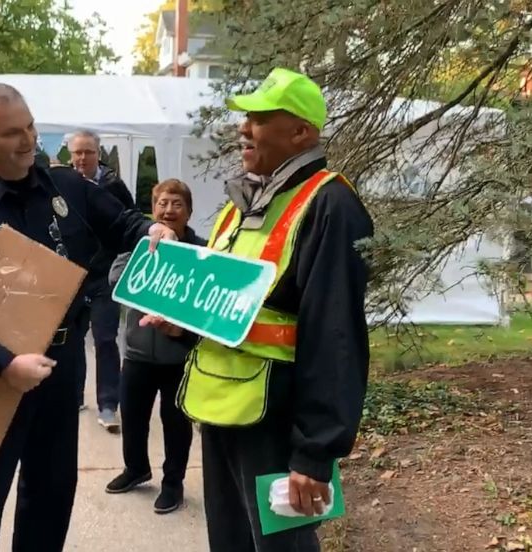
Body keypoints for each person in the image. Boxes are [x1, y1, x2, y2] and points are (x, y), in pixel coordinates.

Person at [0, 82, 177, 552]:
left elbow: (123, 223)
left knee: (50, 494)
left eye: (31, 127)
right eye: (12, 133)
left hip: (59, 368)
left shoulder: (67, 186)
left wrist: (153, 228)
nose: (28, 141)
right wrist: (3, 363)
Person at [143, 68, 374, 551]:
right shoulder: (237, 207)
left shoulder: (330, 204)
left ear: (300, 132)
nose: (244, 129)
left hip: (276, 421)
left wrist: (315, 455)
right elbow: (225, 308)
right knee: (229, 542)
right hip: (223, 408)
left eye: (260, 118)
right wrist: (181, 325)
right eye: (246, 118)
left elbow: (336, 338)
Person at [105, 179, 202, 514]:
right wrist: (151, 264)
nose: (169, 210)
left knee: (176, 423)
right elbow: (116, 277)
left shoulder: (202, 252)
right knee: (133, 417)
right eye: (162, 203)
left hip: (178, 357)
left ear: (189, 211)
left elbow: (205, 304)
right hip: (137, 354)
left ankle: (173, 483)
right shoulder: (141, 243)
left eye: (176, 203)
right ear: (153, 209)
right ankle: (136, 469)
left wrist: (180, 328)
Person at [67, 130, 136, 431]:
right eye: (77, 153)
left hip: (105, 275)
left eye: (88, 152)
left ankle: (108, 404)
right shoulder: (62, 185)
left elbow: (128, 224)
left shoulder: (113, 186)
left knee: (105, 338)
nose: (82, 158)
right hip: (71, 274)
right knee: (71, 336)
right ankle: (75, 395)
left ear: (98, 154)